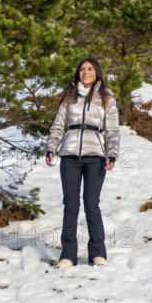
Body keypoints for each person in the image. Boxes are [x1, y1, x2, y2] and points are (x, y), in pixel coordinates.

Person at [45, 58, 120, 268]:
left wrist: (111, 154)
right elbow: (58, 125)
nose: (85, 72)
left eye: (89, 69)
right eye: (82, 69)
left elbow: (113, 130)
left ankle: (97, 252)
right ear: (78, 73)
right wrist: (51, 147)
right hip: (69, 155)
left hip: (95, 155)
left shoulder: (106, 97)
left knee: (91, 204)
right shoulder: (69, 96)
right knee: (70, 204)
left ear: (96, 72)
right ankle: (68, 254)